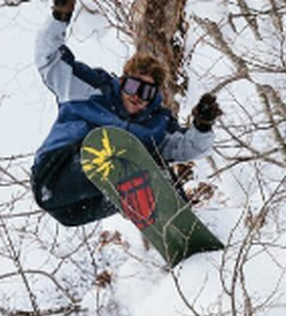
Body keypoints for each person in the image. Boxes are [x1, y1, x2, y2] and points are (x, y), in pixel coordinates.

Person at [31, 0, 221, 226]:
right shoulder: (88, 88)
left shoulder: (157, 125)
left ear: (155, 96)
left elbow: (188, 148)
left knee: (158, 168)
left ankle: (180, 227)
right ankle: (120, 173)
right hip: (56, 177)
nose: (137, 96)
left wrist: (202, 126)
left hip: (79, 209)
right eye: (132, 87)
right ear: (121, 83)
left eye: (146, 92)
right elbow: (50, 60)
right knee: (113, 144)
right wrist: (60, 16)